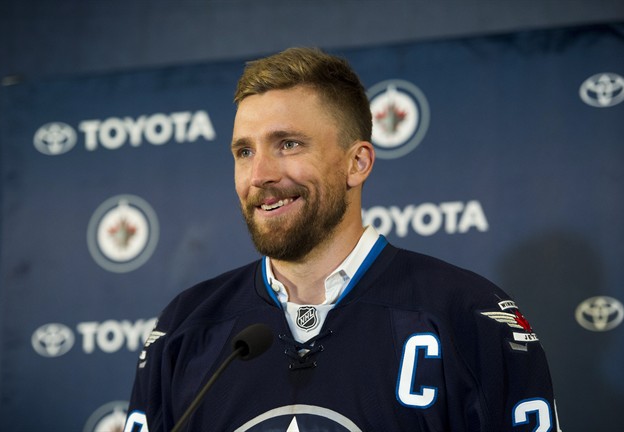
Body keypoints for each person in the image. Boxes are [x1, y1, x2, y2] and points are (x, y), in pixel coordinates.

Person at [124, 47, 559, 431]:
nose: (260, 176)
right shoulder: (185, 325)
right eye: (245, 152)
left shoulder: (467, 313)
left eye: (289, 144)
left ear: (357, 163)